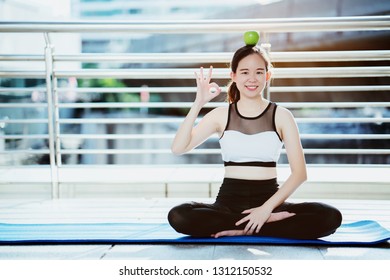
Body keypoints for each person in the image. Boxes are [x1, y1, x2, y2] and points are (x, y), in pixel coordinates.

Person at [167, 37, 342, 239]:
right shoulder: (220, 115)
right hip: (228, 205)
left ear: (267, 76)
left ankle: (253, 225)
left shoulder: (282, 115)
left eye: (259, 72)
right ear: (233, 75)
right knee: (179, 215)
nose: (252, 78)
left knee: (329, 216)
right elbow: (178, 148)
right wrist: (198, 102)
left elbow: (300, 174)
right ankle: (258, 227)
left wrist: (265, 210)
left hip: (271, 202)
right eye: (245, 72)